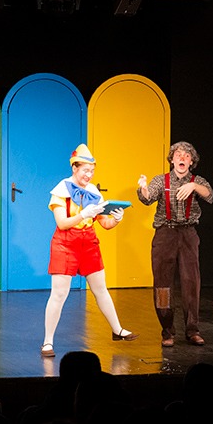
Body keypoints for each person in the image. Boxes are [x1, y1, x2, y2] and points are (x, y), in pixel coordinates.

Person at [41, 144, 136, 358]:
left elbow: (105, 224)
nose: (89, 175)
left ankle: (117, 330)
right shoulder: (61, 191)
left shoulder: (93, 191)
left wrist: (117, 219)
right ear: (74, 168)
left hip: (88, 242)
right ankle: (47, 342)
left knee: (100, 289)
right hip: (65, 243)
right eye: (85, 170)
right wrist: (83, 214)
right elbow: (62, 223)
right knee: (59, 294)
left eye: (92, 171)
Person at [137, 141, 213, 347]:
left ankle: (192, 330)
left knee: (191, 283)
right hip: (165, 234)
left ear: (191, 162)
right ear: (172, 159)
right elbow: (148, 198)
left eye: (186, 156)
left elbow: (209, 194)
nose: (182, 158)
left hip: (188, 234)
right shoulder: (161, 180)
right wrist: (143, 188)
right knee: (163, 284)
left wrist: (193, 186)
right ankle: (167, 330)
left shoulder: (197, 181)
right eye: (178, 155)